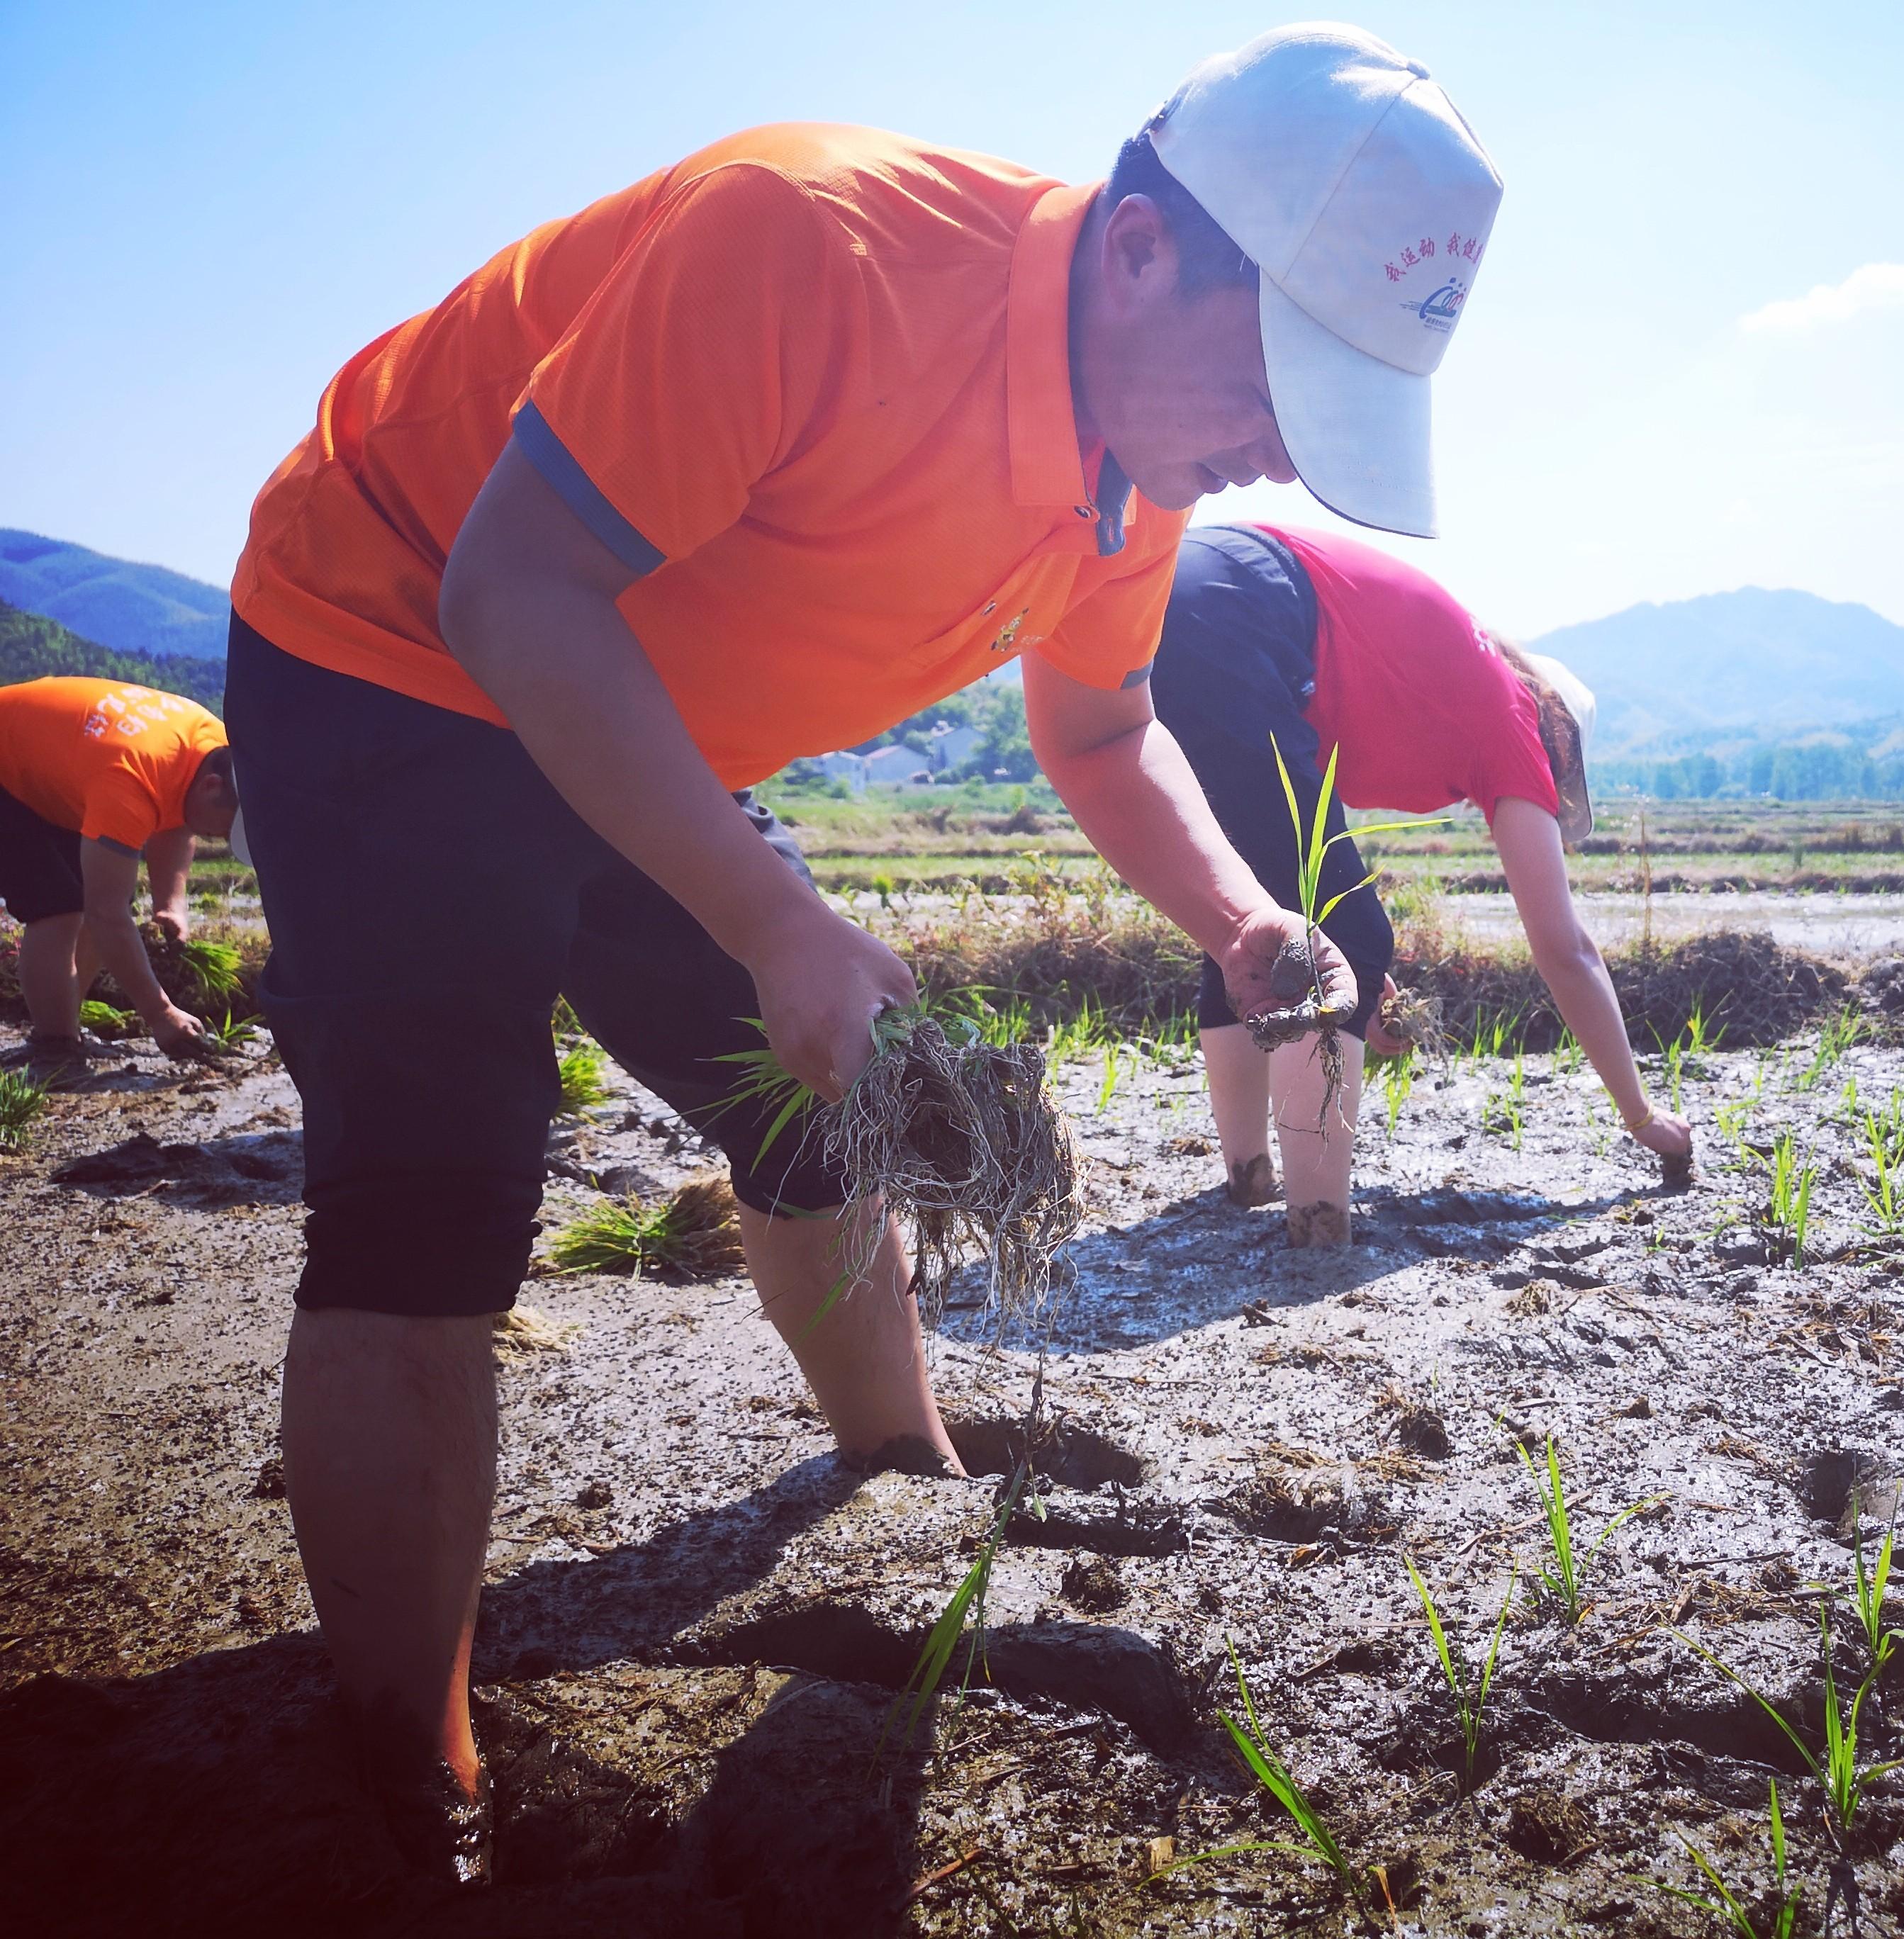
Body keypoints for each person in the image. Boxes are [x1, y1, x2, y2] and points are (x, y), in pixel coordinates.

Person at [223, 24, 1499, 1882]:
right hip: (393, 644)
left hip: (638, 709)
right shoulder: (813, 248)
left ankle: (900, 1466)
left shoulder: (1134, 475)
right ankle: (410, 1749)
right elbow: (514, 592)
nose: (1285, 452)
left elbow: (1099, 727)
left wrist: (1237, 916)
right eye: (1284, 379)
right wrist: (770, 914)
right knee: (439, 1193)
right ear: (1144, 245)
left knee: (817, 1103)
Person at [1151, 524, 1694, 1243]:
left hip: (1173, 594)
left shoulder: (1450, 682)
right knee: (1348, 931)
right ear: (1557, 730)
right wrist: (1641, 1116)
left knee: (1262, 923)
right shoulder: (1513, 719)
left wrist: (1368, 989)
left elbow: (1300, 858)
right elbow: (1566, 950)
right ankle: (1319, 1233)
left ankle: (1249, 1179)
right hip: (1242, 609)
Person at [0, 677, 238, 1079]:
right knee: (58, 910)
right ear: (212, 787)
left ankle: (63, 1030)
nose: (223, 837)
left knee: (102, 905)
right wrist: (161, 1015)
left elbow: (178, 822)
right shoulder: (132, 778)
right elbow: (105, 915)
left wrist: (170, 905)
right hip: (8, 766)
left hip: (59, 768)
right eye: (227, 826)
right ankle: (54, 1048)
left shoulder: (214, 745)